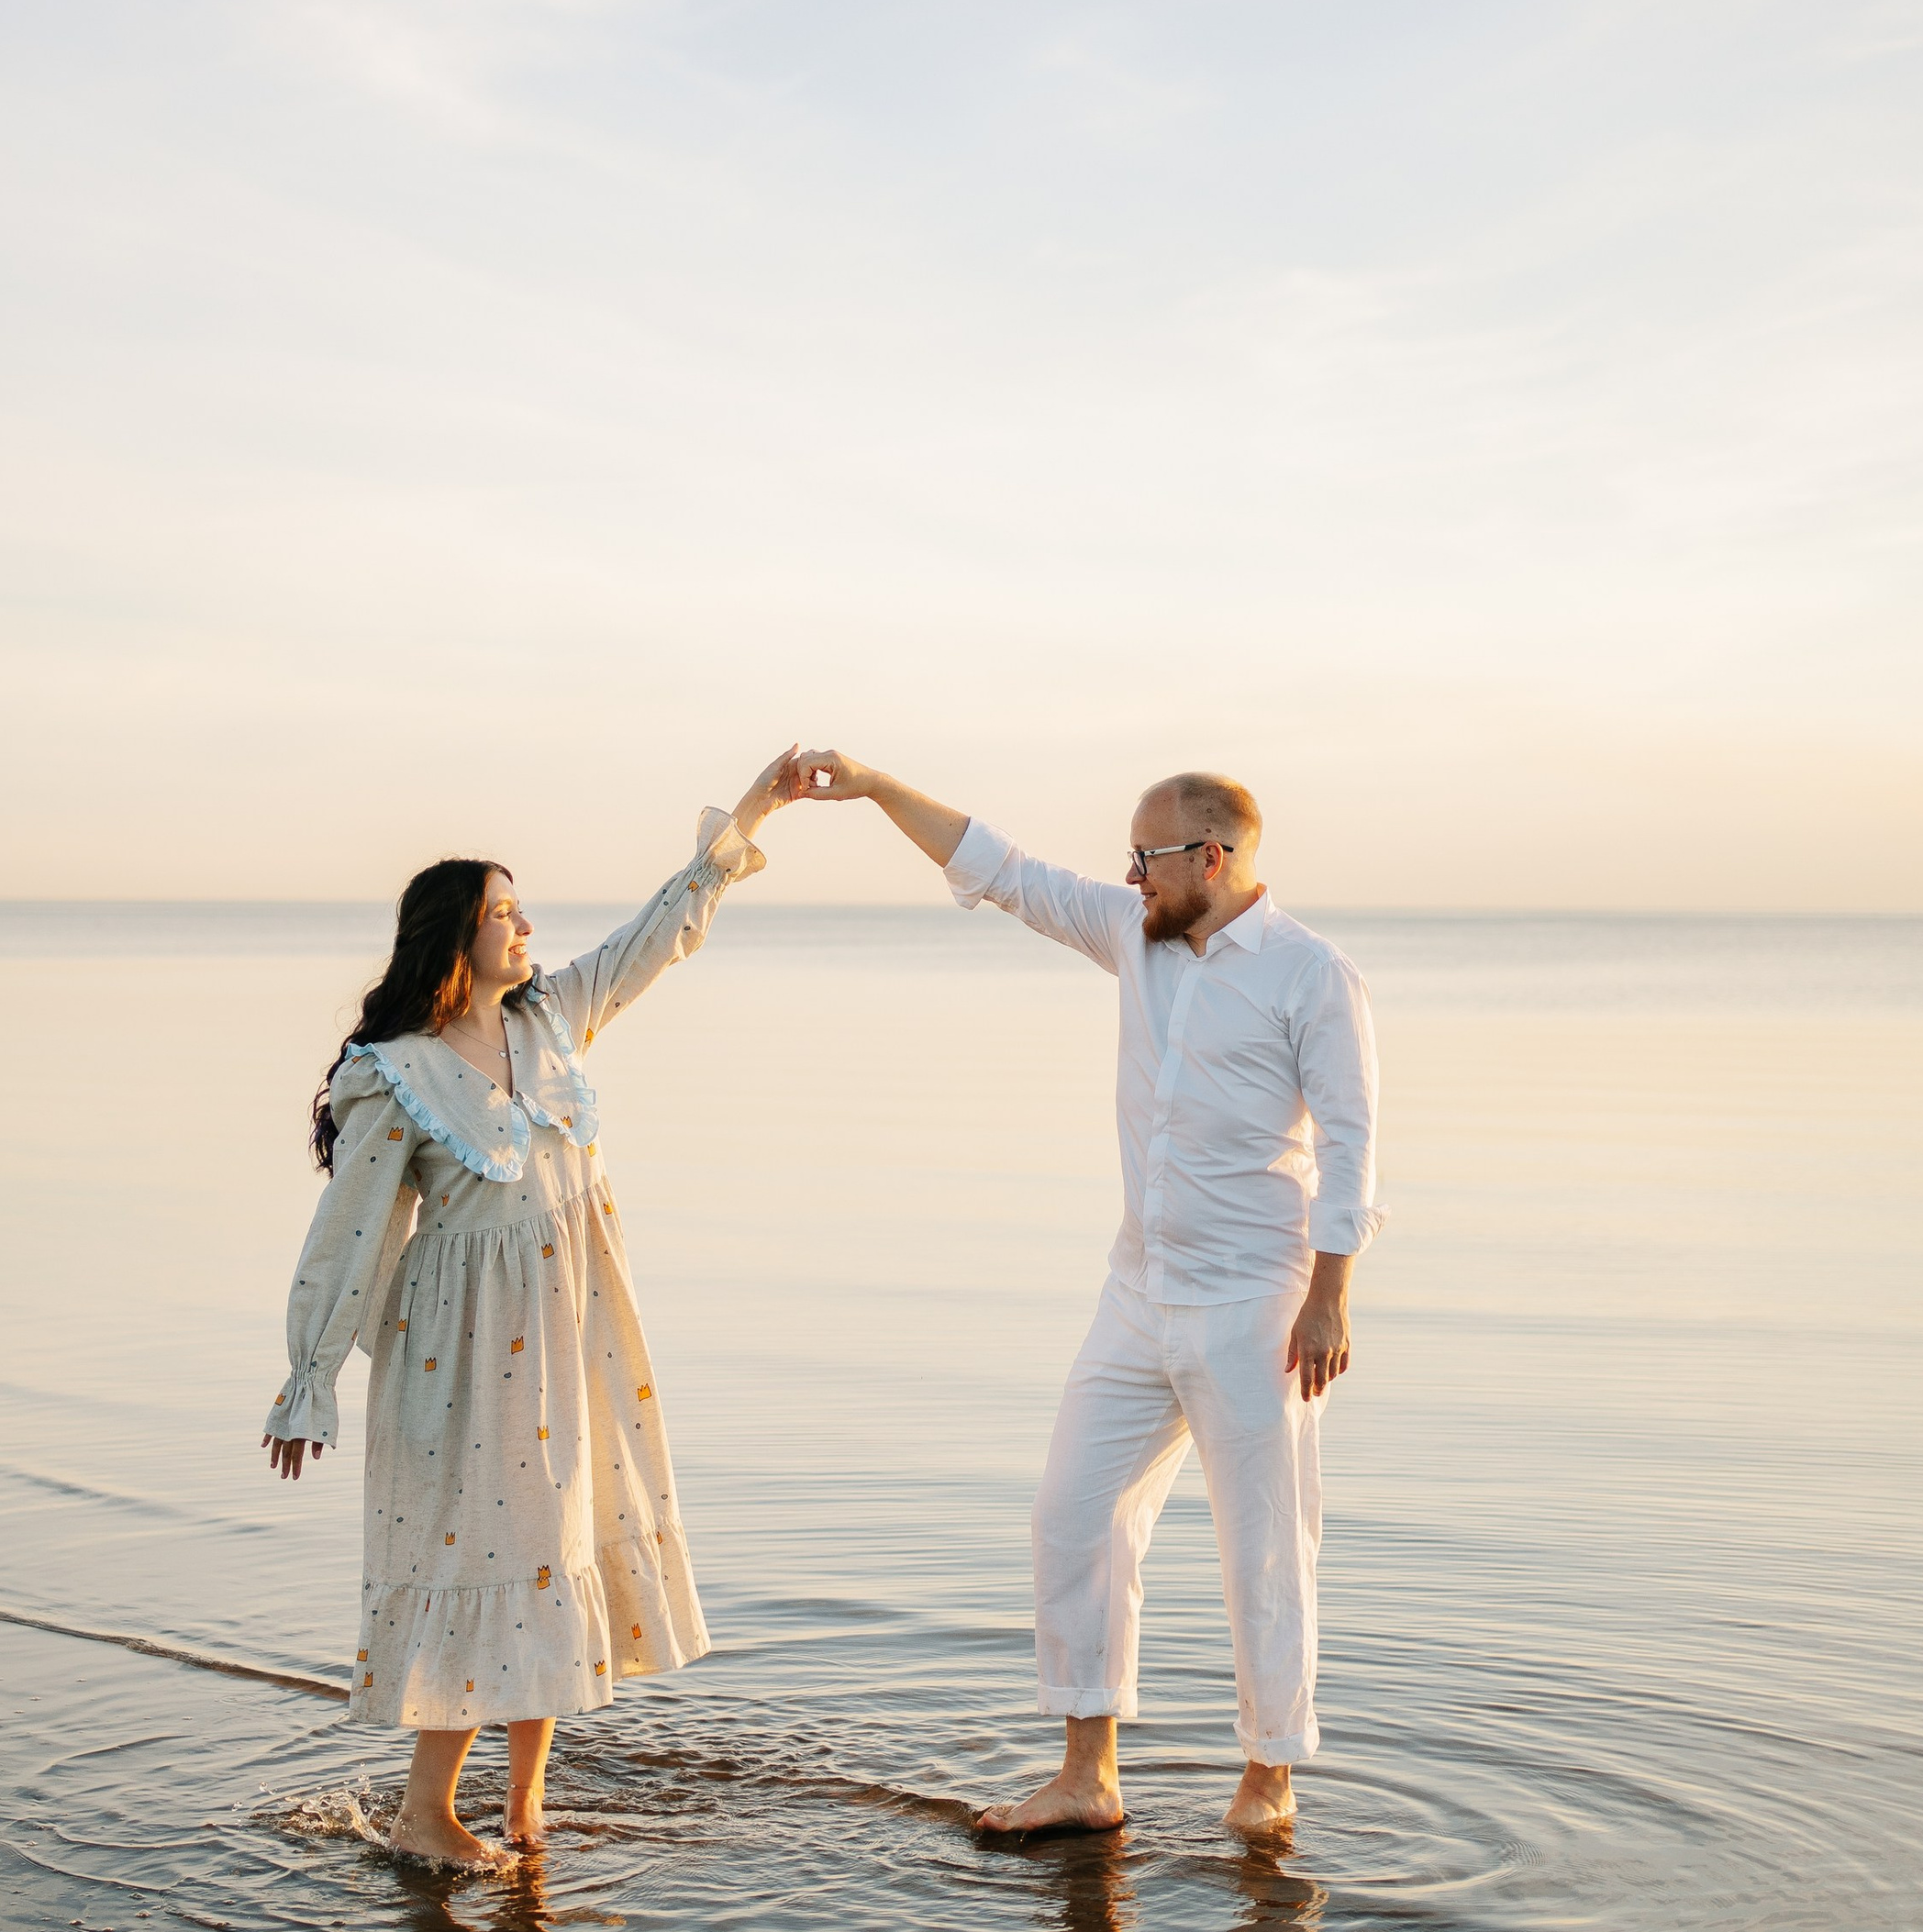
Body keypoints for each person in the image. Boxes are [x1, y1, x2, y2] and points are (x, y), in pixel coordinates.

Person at [796, 752, 1383, 1841]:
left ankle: (1268, 1780)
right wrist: (875, 787)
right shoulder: (1135, 935)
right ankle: (1087, 1775)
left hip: (1258, 1301)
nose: (1129, 877)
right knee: (1072, 1515)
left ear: (1213, 857)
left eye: (1147, 858)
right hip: (1136, 1292)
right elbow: (1005, 870)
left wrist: (1332, 1294)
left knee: (1264, 1544)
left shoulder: (1312, 974)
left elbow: (1350, 1143)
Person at [263, 749, 808, 1869]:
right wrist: (308, 1375)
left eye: (521, 911)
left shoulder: (552, 1020)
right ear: (453, 937)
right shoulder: (396, 1069)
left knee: (554, 1550)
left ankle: (522, 1810)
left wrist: (753, 809)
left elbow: (661, 930)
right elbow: (353, 1229)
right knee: (485, 1557)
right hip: (460, 1357)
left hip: (571, 1336)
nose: (525, 928)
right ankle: (427, 1811)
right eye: (503, 915)